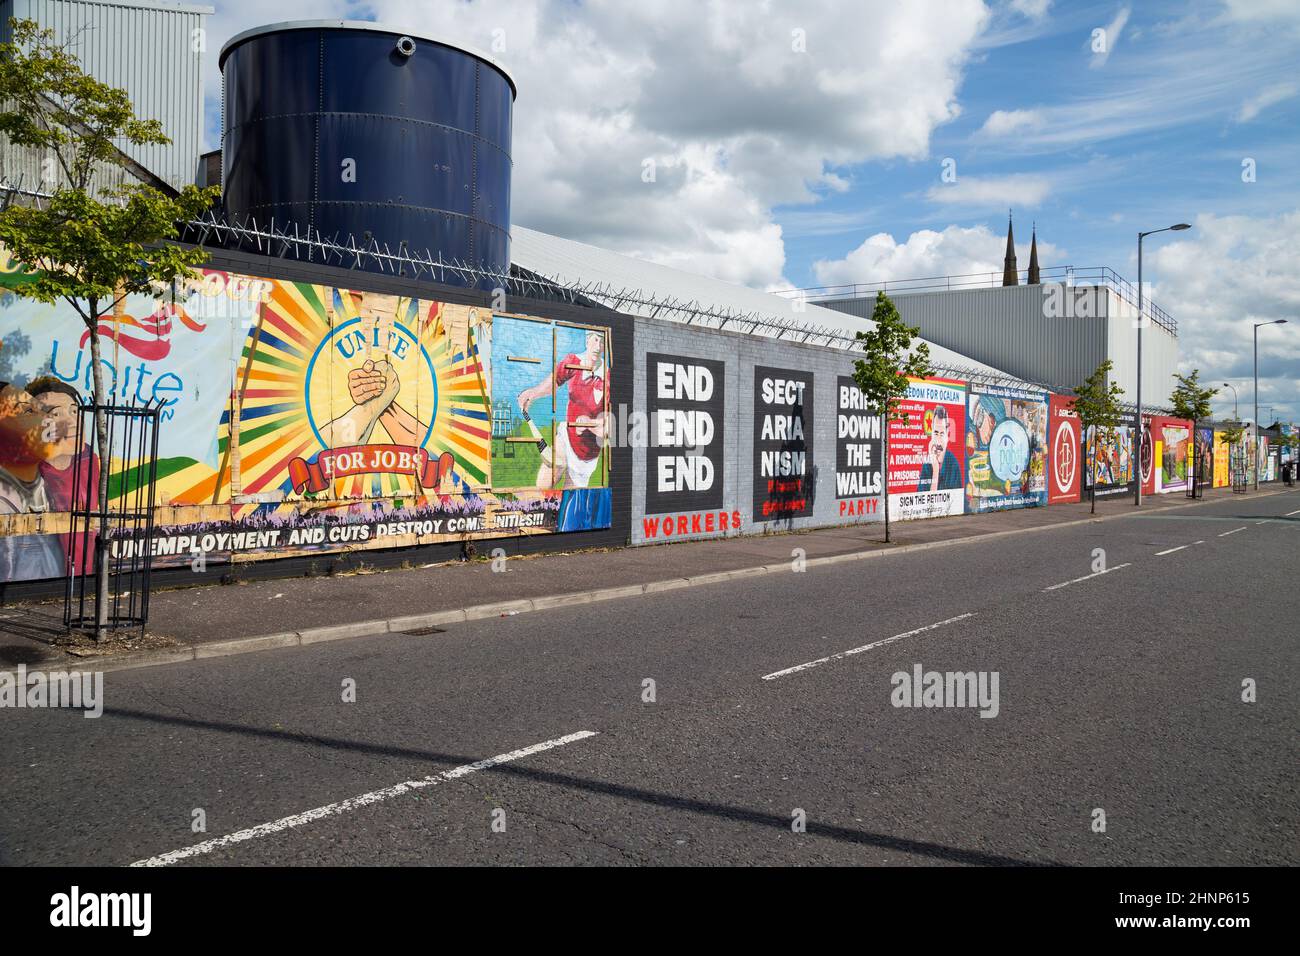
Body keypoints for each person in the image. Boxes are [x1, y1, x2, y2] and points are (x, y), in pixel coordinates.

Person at [517, 330, 607, 490]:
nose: (598, 346)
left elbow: (608, 428)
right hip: (566, 436)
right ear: (587, 341)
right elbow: (555, 381)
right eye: (595, 340)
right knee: (543, 484)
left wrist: (589, 424)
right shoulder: (573, 361)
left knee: (569, 499)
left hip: (585, 454)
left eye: (602, 342)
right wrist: (533, 393)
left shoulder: (607, 378)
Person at [917, 404, 962, 492]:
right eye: (936, 433)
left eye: (942, 434)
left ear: (947, 435)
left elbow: (956, 500)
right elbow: (924, 502)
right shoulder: (927, 465)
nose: (938, 440)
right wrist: (935, 470)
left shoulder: (953, 464)